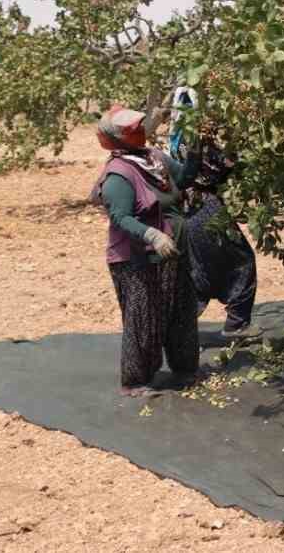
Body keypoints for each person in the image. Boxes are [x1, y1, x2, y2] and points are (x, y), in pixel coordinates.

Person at [90, 104, 203, 397]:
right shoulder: (119, 174)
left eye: (140, 127)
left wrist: (197, 150)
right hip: (137, 257)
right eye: (133, 130)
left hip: (172, 252)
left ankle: (184, 370)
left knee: (180, 310)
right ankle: (136, 381)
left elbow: (185, 177)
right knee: (143, 316)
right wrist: (152, 235)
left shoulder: (154, 158)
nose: (140, 131)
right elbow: (121, 217)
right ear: (118, 138)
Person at [169, 89, 260, 340]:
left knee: (198, 266)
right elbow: (221, 166)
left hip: (187, 208)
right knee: (242, 261)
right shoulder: (199, 139)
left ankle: (179, 329)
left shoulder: (178, 135)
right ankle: (236, 325)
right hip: (206, 207)